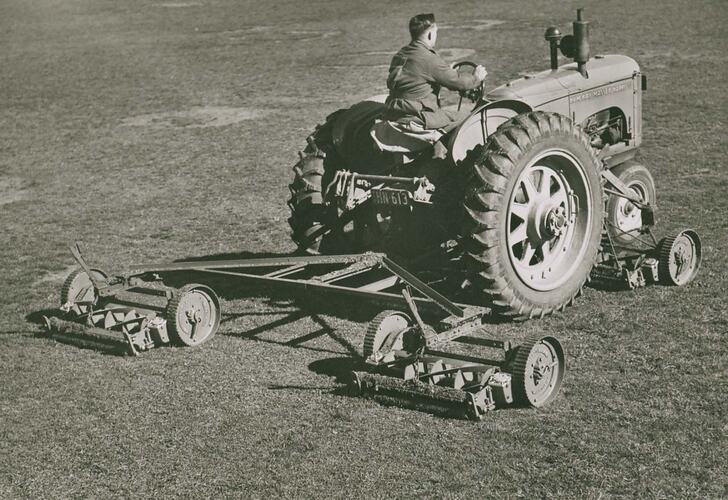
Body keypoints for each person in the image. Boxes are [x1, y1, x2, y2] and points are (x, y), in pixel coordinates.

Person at [385, 13, 487, 137]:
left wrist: (446, 72)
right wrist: (476, 78)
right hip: (418, 116)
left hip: (396, 112)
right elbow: (460, 83)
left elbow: (416, 79)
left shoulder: (401, 54)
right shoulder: (429, 58)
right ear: (430, 34)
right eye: (436, 32)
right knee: (471, 117)